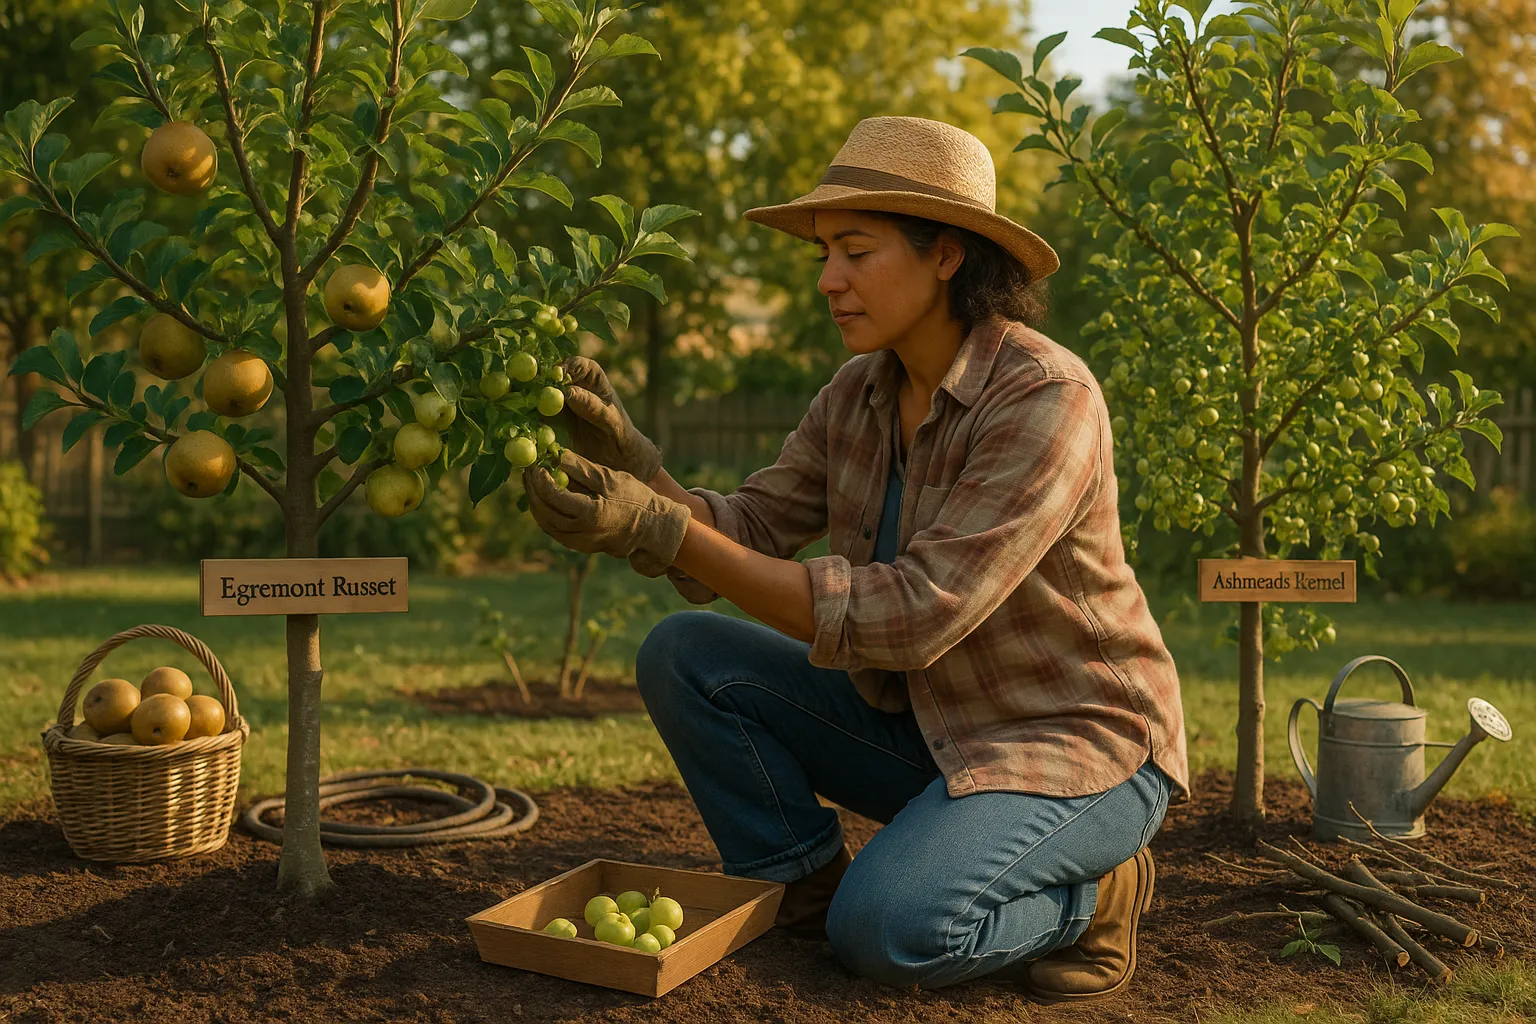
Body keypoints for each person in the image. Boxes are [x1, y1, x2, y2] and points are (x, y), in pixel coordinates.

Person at [521, 115, 1189, 1004]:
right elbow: (749, 529)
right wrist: (639, 469)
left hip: (1078, 747)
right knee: (688, 654)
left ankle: (1098, 892)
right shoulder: (859, 392)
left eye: (856, 251)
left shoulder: (1045, 398)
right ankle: (804, 887)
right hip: (932, 724)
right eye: (825, 254)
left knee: (892, 932)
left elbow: (919, 615)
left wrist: (659, 526)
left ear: (946, 254)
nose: (829, 280)